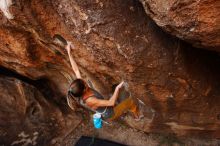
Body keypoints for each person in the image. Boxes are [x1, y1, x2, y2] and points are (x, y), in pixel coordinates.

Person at [66, 41, 141, 121]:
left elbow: (76, 70)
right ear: (84, 89)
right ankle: (137, 117)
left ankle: (124, 110)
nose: (84, 80)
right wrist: (117, 88)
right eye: (84, 83)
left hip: (106, 107)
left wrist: (69, 52)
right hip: (110, 114)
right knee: (130, 102)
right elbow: (111, 103)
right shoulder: (91, 100)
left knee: (117, 102)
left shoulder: (81, 90)